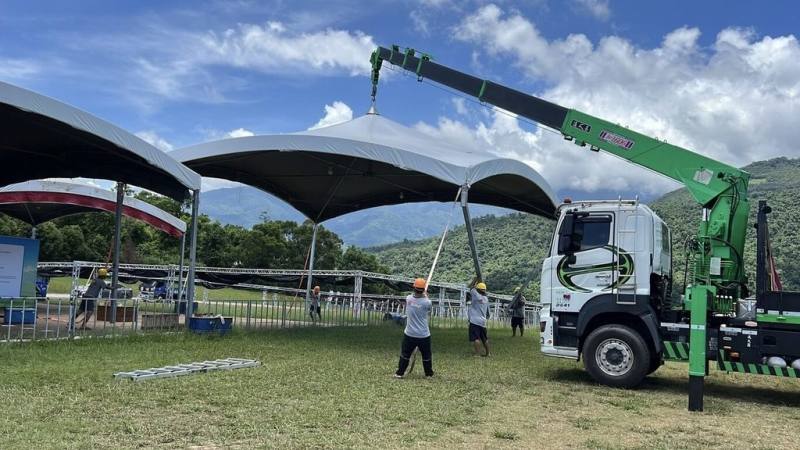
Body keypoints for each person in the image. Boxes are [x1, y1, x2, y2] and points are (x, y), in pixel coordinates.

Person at [394, 278, 434, 378]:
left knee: (405, 355)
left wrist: (423, 294)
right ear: (424, 289)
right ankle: (428, 374)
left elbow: (415, 299)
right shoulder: (427, 302)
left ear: (414, 288)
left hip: (410, 334)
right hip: (423, 335)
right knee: (426, 356)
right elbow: (428, 306)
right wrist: (425, 295)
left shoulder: (408, 299)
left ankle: (400, 373)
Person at [468, 280, 490, 357]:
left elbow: (470, 287)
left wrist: (474, 279)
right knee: (484, 338)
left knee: (476, 338)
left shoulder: (475, 295)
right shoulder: (486, 299)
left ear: (477, 289)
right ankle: (488, 353)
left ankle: (477, 354)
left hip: (474, 321)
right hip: (483, 321)